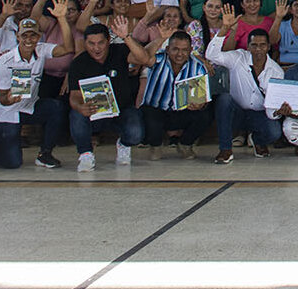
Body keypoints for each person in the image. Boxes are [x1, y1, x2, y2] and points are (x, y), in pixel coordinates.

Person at [0, 0, 74, 169]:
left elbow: (68, 48)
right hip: (9, 112)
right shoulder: (4, 62)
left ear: (38, 36)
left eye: (33, 35)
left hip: (29, 107)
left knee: (56, 107)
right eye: (24, 35)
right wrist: (11, 99)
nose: (29, 40)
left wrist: (62, 19)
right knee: (12, 163)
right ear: (17, 36)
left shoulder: (42, 49)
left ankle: (45, 154)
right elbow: (2, 100)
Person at [67, 18, 155, 172]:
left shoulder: (120, 51)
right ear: (85, 43)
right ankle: (85, 153)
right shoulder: (78, 63)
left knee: (136, 133)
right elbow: (74, 96)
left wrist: (126, 37)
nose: (96, 48)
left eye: (100, 43)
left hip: (122, 110)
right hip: (94, 114)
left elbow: (144, 59)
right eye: (91, 44)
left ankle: (124, 144)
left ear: (108, 41)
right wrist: (80, 106)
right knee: (76, 115)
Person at [205, 10, 285, 164]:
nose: (258, 49)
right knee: (224, 99)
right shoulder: (238, 57)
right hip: (236, 113)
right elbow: (212, 55)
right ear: (248, 46)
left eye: (262, 45)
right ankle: (225, 150)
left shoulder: (276, 72)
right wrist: (225, 28)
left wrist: (279, 111)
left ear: (269, 46)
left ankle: (257, 140)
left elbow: (272, 111)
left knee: (274, 132)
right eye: (254, 45)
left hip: (259, 114)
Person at [140, 30, 214, 160]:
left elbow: (202, 99)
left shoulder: (198, 67)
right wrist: (160, 38)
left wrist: (199, 105)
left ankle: (186, 144)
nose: (180, 54)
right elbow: (143, 56)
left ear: (191, 50)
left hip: (182, 112)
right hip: (157, 111)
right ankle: (155, 146)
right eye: (175, 49)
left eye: (184, 50)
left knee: (205, 114)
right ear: (167, 49)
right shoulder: (158, 59)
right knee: (149, 114)